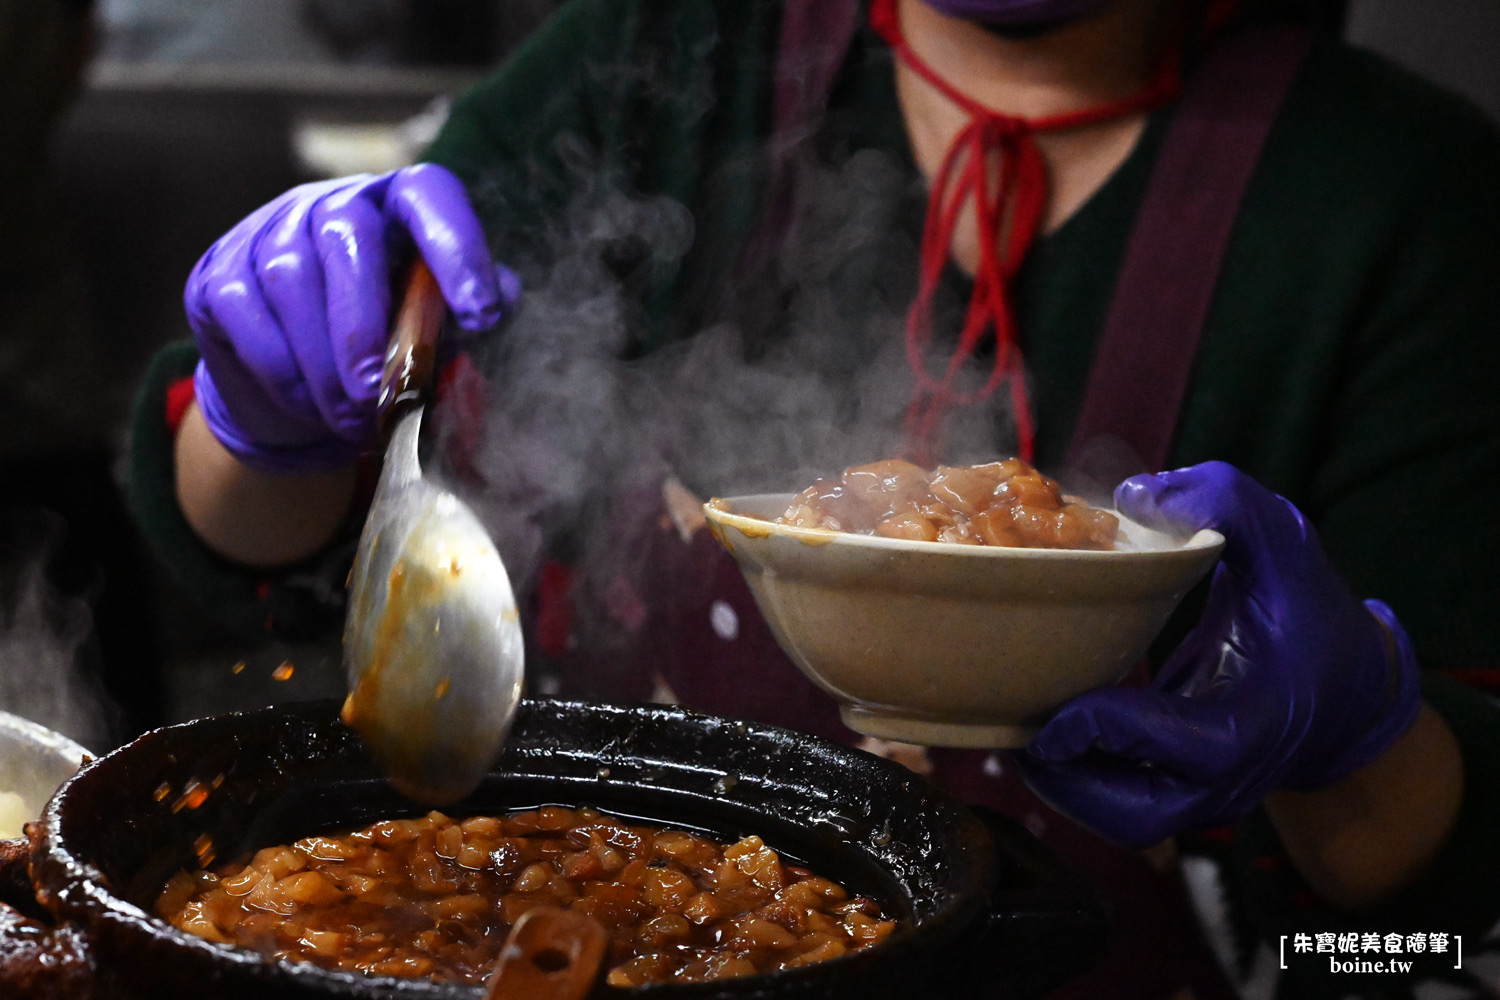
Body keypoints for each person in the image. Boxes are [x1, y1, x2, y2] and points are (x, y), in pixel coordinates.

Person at [128, 0, 1500, 996]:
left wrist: (1357, 737)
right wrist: (264, 419)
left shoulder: (1406, 199)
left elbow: (1434, 929)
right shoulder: (654, 61)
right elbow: (257, 539)